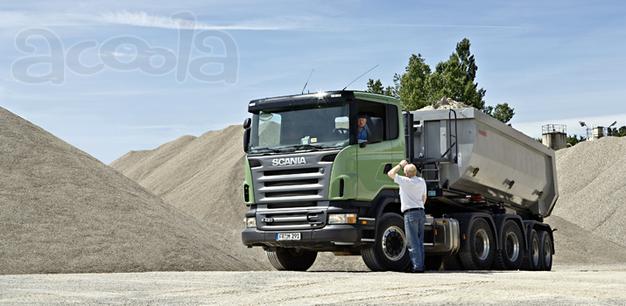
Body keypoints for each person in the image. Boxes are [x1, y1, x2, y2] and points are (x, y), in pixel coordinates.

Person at [387, 159, 428, 273]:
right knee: (419, 241)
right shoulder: (421, 181)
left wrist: (400, 164)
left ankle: (417, 267)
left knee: (412, 241)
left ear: (406, 173)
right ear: (415, 172)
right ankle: (421, 265)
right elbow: (424, 198)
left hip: (410, 213)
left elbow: (390, 173)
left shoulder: (405, 181)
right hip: (421, 212)